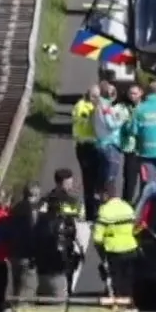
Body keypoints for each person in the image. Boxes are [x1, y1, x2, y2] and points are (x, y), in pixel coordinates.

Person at [33, 170, 84, 301]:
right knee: (65, 274)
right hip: (64, 243)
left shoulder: (45, 199)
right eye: (70, 182)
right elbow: (80, 216)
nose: (72, 185)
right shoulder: (72, 202)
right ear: (64, 183)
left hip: (45, 246)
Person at [92, 186, 140, 299]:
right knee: (128, 280)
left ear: (105, 195)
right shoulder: (127, 207)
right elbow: (135, 228)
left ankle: (118, 304)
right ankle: (128, 301)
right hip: (131, 249)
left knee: (116, 281)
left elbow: (97, 239)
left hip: (114, 251)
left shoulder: (104, 210)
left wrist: (102, 256)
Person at [93, 80, 127, 213]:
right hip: (110, 145)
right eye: (112, 92)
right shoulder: (105, 107)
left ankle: (101, 203)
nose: (115, 94)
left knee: (103, 177)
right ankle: (108, 206)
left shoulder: (99, 105)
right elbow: (111, 125)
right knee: (110, 178)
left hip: (102, 143)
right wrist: (122, 119)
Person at [7, 182, 42, 300]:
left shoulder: (15, 208)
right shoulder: (33, 211)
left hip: (14, 253)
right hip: (27, 255)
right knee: (28, 290)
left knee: (16, 287)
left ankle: (12, 311)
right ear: (36, 194)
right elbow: (34, 232)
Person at [71, 85, 102, 216]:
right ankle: (90, 212)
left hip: (98, 146)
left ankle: (98, 210)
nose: (95, 98)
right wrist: (90, 115)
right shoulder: (81, 105)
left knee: (100, 180)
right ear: (88, 95)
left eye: (97, 96)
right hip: (85, 146)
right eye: (93, 96)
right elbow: (80, 118)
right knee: (88, 180)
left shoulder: (100, 106)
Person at [117, 83, 145, 202]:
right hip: (131, 148)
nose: (132, 96)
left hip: (145, 149)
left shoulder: (145, 108)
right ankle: (126, 203)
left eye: (135, 93)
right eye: (130, 93)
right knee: (129, 180)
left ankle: (143, 205)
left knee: (146, 180)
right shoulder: (124, 108)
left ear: (141, 93)